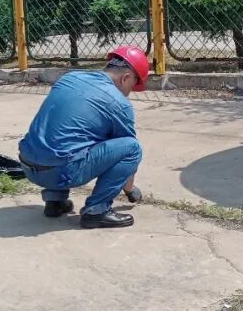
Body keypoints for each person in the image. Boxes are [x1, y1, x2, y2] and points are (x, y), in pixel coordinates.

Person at [17, 45, 149, 229]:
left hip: (27, 164)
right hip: (60, 173)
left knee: (69, 138)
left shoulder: (70, 78)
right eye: (133, 84)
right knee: (132, 148)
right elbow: (126, 150)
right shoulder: (119, 104)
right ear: (126, 77)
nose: (130, 91)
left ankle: (55, 202)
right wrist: (130, 190)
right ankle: (96, 212)